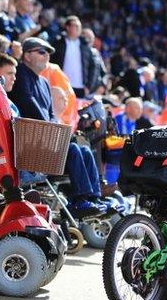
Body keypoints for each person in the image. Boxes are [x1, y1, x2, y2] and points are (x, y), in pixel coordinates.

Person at [9, 37, 106, 219]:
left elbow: (48, 112)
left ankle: (94, 197)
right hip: (30, 143)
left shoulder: (44, 82)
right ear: (27, 55)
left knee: (85, 151)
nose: (47, 56)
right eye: (42, 52)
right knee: (74, 150)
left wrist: (55, 128)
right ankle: (78, 200)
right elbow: (28, 105)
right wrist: (54, 129)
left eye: (48, 53)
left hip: (46, 138)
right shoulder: (21, 73)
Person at [50, 15, 96, 98]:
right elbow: (51, 62)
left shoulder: (85, 45)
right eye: (76, 26)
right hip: (61, 86)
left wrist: (89, 86)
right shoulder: (58, 43)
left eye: (80, 26)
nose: (79, 28)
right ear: (67, 27)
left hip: (80, 88)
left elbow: (93, 66)